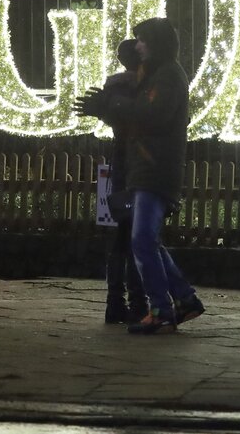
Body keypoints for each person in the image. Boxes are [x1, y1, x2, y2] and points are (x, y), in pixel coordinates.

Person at [80, 18, 204, 335]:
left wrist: (111, 103)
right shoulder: (156, 76)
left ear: (157, 43)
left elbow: (152, 115)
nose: (137, 46)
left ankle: (161, 309)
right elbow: (137, 116)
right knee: (148, 240)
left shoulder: (168, 77)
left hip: (154, 170)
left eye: (142, 40)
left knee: (142, 240)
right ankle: (185, 300)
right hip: (145, 168)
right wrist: (107, 108)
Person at [77, 39, 146, 324]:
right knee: (136, 237)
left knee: (119, 236)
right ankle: (137, 302)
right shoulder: (145, 87)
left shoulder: (114, 88)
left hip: (120, 163)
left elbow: (113, 119)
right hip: (139, 165)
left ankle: (115, 301)